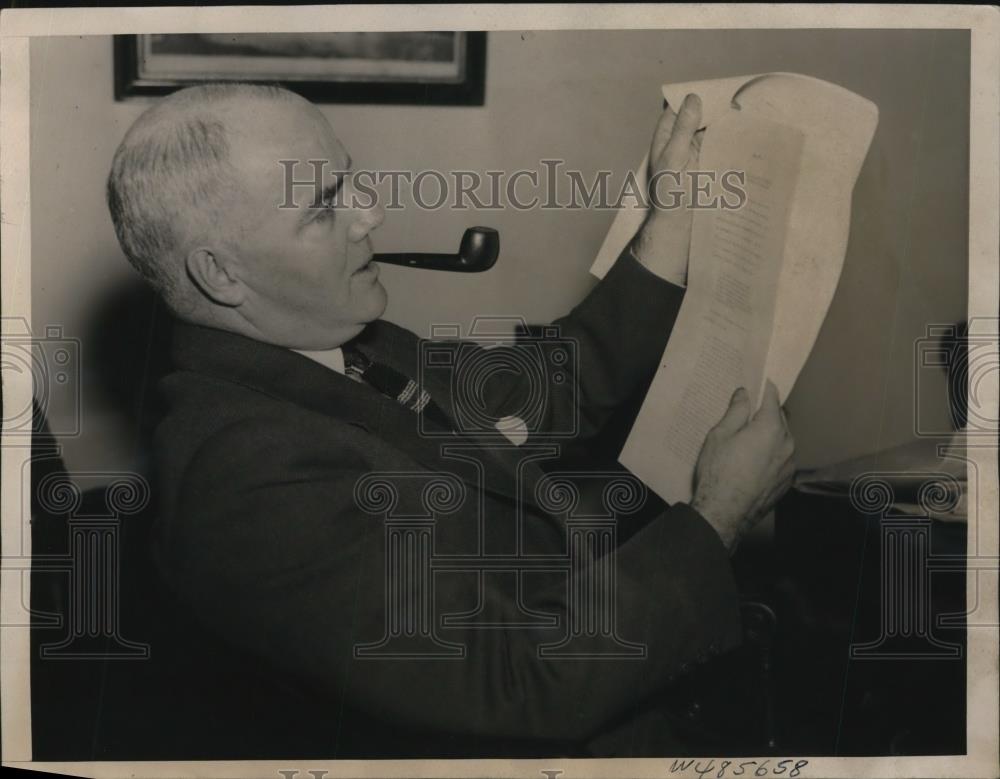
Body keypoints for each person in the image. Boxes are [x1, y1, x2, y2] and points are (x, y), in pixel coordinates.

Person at [105, 82, 795, 757]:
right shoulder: (238, 486)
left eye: (350, 181)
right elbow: (522, 678)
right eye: (322, 208)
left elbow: (536, 394)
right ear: (221, 275)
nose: (369, 214)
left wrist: (668, 225)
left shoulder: (336, 346)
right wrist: (716, 518)